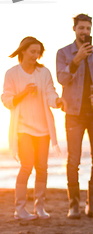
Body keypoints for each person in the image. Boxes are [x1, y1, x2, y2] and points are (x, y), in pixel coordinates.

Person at [56, 13, 93, 219]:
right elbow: (62, 79)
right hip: (74, 113)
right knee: (73, 159)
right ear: (74, 29)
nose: (85, 32)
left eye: (88, 29)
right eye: (81, 28)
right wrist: (77, 59)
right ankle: (74, 206)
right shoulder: (63, 53)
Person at [2, 37, 62, 220]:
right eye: (32, 52)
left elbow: (51, 93)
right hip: (23, 128)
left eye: (38, 52)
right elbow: (6, 100)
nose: (35, 56)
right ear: (22, 51)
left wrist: (57, 101)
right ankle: (19, 209)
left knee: (42, 168)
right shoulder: (12, 73)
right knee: (27, 165)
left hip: (43, 129)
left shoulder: (44, 73)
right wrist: (24, 92)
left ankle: (39, 207)